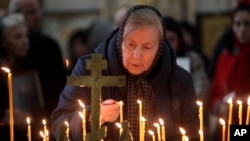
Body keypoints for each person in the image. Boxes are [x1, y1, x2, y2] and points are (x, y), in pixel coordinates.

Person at [51, 5, 199, 141]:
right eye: (131, 44)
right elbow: (59, 125)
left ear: (159, 47)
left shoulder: (179, 80)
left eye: (147, 47)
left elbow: (192, 134)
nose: (137, 54)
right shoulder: (89, 69)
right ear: (120, 40)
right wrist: (93, 116)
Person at [8, 0, 67, 121]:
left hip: (46, 117)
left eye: (39, 11)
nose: (37, 16)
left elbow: (59, 89)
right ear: (15, 14)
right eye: (31, 12)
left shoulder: (49, 46)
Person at [209, 0, 250, 140]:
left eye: (247, 24)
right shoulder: (224, 57)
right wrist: (219, 105)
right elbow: (214, 92)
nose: (242, 29)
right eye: (238, 24)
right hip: (227, 123)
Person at [163, 16, 210, 101]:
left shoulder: (192, 59)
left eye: (171, 40)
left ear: (179, 40)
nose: (167, 45)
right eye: (164, 41)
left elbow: (201, 85)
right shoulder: (153, 61)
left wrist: (186, 103)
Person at [0, 13, 31, 141]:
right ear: (4, 41)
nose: (24, 41)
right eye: (18, 37)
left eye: (26, 36)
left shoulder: (30, 66)